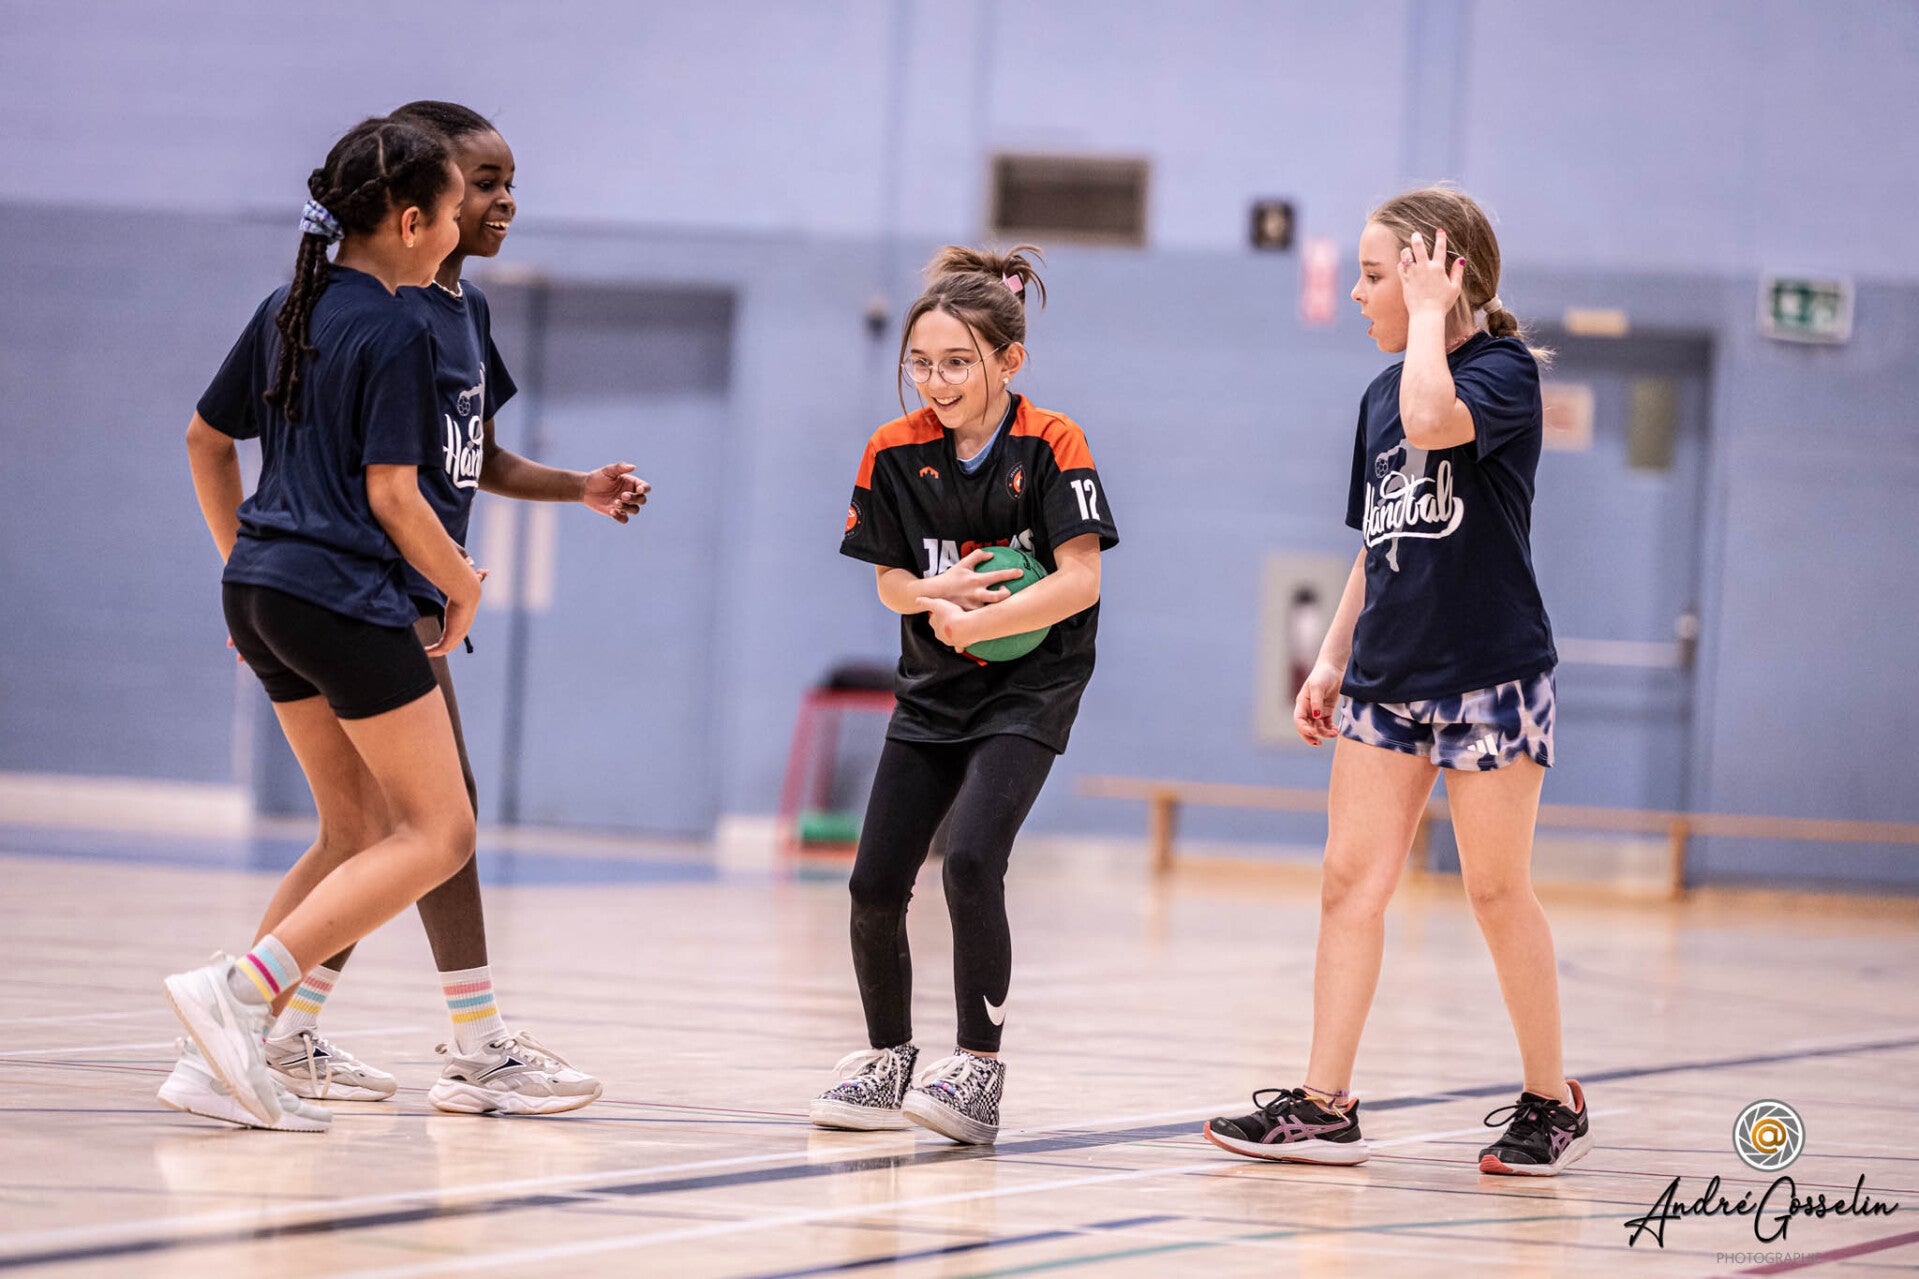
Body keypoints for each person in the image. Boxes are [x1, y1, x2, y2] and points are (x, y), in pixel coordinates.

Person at [1203, 187, 1592, 1176]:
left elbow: (1432, 420)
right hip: (1386, 680)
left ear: (1437, 275)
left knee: (1494, 890)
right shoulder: (1377, 392)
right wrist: (1332, 659)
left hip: (1489, 673)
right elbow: (1377, 541)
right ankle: (1323, 1105)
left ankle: (1549, 1099)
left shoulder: (1500, 372)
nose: (1357, 294)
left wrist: (1428, 317)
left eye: (1375, 274)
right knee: (1348, 884)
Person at [166, 115, 479, 1131]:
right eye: (453, 210)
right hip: (339, 594)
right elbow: (394, 495)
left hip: (260, 586)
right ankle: (239, 992)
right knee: (440, 831)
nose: (461, 227)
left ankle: (216, 1057)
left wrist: (249, 563)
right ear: (411, 222)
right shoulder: (398, 329)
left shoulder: (286, 306)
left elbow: (205, 440)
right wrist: (461, 585)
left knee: (355, 830)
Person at [814, 245, 1119, 1145]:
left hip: (1030, 688)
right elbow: (890, 584)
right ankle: (887, 1062)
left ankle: (977, 1072)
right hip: (932, 690)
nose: (935, 381)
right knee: (874, 880)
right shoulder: (892, 451)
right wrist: (934, 596)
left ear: (1008, 360)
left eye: (956, 362)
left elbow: (1079, 580)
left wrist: (980, 623)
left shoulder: (1053, 442)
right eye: (920, 362)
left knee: (973, 859)